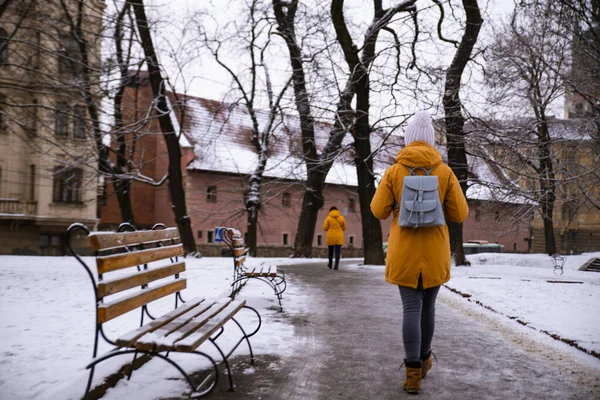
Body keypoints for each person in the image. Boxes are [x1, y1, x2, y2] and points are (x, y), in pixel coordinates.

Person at [370, 110, 469, 394]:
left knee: (411, 309)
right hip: (436, 251)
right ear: (432, 141)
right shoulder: (445, 171)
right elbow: (460, 214)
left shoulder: (394, 171)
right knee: (429, 308)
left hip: (404, 251)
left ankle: (412, 374)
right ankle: (425, 361)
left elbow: (378, 210)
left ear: (408, 139)